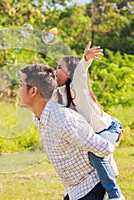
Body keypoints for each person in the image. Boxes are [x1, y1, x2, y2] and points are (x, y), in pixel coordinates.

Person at [18, 63, 116, 200]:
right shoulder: (40, 117)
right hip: (74, 189)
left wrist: (113, 140)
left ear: (33, 91)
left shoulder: (62, 119)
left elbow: (104, 147)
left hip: (92, 185)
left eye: (21, 84)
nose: (18, 90)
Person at [53, 41, 124, 200]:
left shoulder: (77, 85)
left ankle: (115, 195)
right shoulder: (62, 94)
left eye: (59, 67)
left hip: (109, 128)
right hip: (98, 133)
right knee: (92, 151)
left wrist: (85, 59)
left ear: (70, 73)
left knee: (95, 153)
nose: (55, 70)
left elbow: (80, 73)